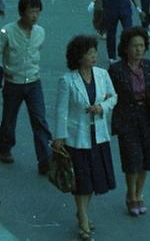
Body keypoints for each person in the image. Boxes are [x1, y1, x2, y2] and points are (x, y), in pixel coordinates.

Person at [53, 36, 118, 239]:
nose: (94, 56)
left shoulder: (102, 75)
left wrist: (102, 107)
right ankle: (83, 217)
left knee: (92, 179)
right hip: (76, 138)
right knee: (82, 180)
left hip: (98, 136)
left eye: (94, 53)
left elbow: (113, 97)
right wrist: (59, 137)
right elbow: (61, 110)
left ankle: (82, 212)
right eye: (90, 53)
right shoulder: (67, 80)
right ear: (79, 57)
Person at [108, 27, 150, 217]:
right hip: (127, 119)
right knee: (133, 159)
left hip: (147, 117)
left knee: (148, 159)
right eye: (134, 46)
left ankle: (139, 194)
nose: (138, 49)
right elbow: (110, 95)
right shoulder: (116, 69)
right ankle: (131, 195)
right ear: (125, 48)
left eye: (141, 45)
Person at [0, 0, 53, 174]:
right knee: (9, 118)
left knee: (40, 120)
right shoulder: (7, 32)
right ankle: (4, 147)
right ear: (22, 13)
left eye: (37, 12)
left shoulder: (40, 32)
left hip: (34, 82)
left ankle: (45, 159)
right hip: (13, 82)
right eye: (31, 12)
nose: (35, 16)